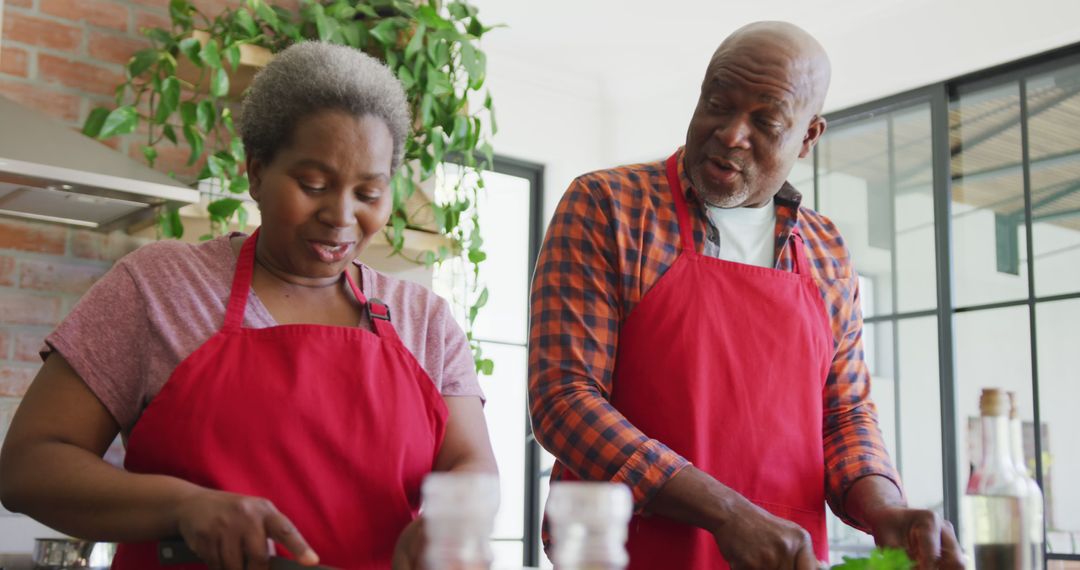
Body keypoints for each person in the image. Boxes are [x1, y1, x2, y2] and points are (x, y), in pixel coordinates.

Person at [0, 41, 496, 570]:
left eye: (369, 193)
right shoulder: (161, 287)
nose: (341, 215)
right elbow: (29, 466)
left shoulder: (424, 319)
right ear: (255, 172)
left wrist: (454, 521)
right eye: (313, 185)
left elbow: (472, 465)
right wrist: (183, 506)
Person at [528, 21, 963, 570]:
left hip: (787, 559)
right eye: (718, 103)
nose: (731, 133)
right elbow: (565, 400)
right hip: (620, 556)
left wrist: (886, 511)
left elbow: (845, 415)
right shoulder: (609, 206)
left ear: (808, 138)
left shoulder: (825, 249)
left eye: (766, 122)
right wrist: (727, 514)